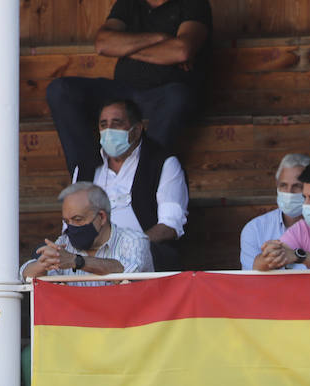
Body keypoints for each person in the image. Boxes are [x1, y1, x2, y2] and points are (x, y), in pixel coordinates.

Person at [46, 0, 211, 168]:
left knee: (178, 96)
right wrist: (161, 38)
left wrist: (125, 48)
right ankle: (87, 178)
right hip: (122, 92)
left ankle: (142, 175)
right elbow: (103, 43)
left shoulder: (193, 4)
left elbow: (181, 51)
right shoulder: (129, 3)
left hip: (163, 94)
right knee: (61, 90)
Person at [70, 99, 188, 270]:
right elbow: (70, 224)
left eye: (116, 124)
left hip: (139, 255)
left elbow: (169, 226)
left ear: (137, 129)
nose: (109, 131)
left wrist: (128, 247)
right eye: (104, 125)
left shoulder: (163, 163)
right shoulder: (84, 169)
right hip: (90, 256)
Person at [19, 181, 150, 284]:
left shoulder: (133, 241)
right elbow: (25, 274)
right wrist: (43, 263)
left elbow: (126, 273)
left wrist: (76, 261)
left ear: (102, 217)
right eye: (66, 221)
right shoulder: (64, 243)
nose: (71, 227)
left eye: (77, 219)